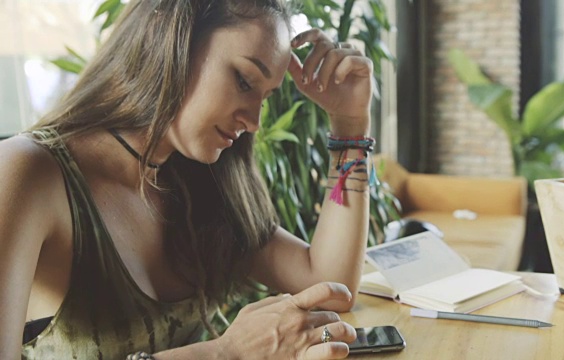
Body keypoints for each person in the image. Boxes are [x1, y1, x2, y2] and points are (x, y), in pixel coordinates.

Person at [0, 0, 375, 359]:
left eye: (264, 97)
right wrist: (225, 353)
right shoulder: (29, 173)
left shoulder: (197, 183)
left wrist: (351, 126)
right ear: (172, 39)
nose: (254, 122)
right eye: (245, 81)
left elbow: (329, 285)